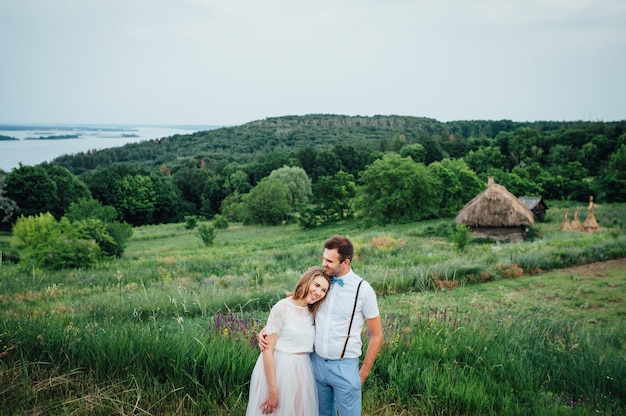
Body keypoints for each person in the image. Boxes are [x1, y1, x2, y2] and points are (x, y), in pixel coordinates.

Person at [260, 235, 383, 416]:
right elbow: (296, 311)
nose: (324, 263)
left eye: (329, 261)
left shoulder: (363, 290)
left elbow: (377, 335)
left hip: (345, 367)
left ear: (345, 262)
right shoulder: (321, 282)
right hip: (314, 365)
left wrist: (362, 374)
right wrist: (267, 331)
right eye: (323, 258)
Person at [246, 266, 331, 416]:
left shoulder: (315, 312)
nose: (319, 292)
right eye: (316, 285)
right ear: (306, 281)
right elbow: (267, 351)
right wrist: (272, 391)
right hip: (279, 368)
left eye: (324, 290)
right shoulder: (282, 307)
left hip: (303, 369)